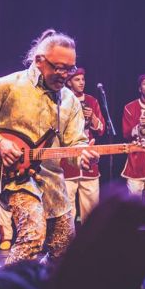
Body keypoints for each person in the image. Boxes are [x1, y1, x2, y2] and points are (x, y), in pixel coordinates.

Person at [0, 29, 99, 265]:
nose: (64, 74)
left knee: (64, 250)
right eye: (58, 67)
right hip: (15, 176)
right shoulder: (9, 86)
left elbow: (75, 144)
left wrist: (82, 157)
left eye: (70, 68)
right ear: (39, 61)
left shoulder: (70, 100)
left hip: (53, 182)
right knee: (32, 234)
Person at [60, 67, 105, 224]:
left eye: (83, 79)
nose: (81, 83)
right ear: (69, 82)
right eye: (77, 80)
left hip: (88, 155)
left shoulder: (92, 100)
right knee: (67, 204)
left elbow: (101, 129)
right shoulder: (61, 99)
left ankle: (90, 240)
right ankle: (67, 242)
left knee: (91, 203)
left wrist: (92, 117)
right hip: (68, 159)